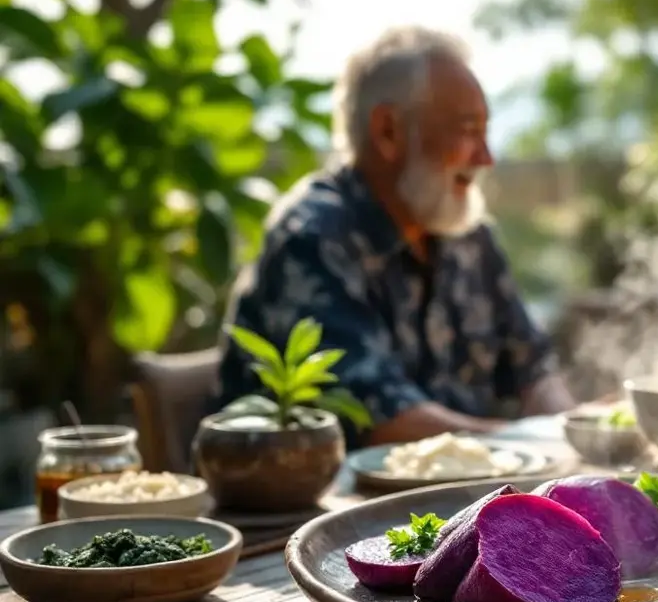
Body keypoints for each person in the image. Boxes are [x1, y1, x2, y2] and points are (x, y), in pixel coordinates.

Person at [212, 26, 576, 447]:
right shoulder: (312, 238)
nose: (487, 156)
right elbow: (381, 419)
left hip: (453, 498)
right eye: (468, 129)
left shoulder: (468, 235)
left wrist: (577, 431)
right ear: (388, 131)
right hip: (316, 506)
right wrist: (535, 441)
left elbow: (533, 370)